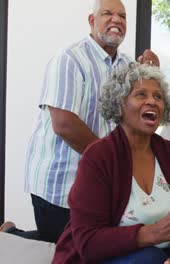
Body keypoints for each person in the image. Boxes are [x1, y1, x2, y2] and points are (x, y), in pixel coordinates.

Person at [0, 0, 160, 242]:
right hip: (60, 183)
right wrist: (110, 161)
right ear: (91, 21)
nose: (117, 20)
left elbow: (140, 114)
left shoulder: (128, 66)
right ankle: (12, 235)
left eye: (122, 16)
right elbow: (64, 123)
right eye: (107, 13)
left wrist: (152, 73)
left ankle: (10, 233)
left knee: (87, 245)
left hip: (102, 183)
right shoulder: (69, 59)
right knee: (66, 247)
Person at [53, 63, 170, 264]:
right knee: (149, 258)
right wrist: (152, 233)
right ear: (120, 104)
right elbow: (87, 242)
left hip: (166, 255)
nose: (152, 101)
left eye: (158, 97)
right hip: (105, 258)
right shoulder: (98, 156)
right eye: (141, 94)